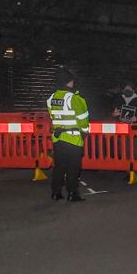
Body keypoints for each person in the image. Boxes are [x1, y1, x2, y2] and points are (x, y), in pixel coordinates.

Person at [46, 67, 89, 202]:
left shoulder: (52, 98)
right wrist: (84, 133)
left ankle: (56, 192)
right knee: (73, 168)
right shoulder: (74, 98)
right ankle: (72, 193)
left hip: (58, 138)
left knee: (59, 167)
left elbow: (53, 117)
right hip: (73, 138)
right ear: (70, 81)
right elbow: (83, 120)